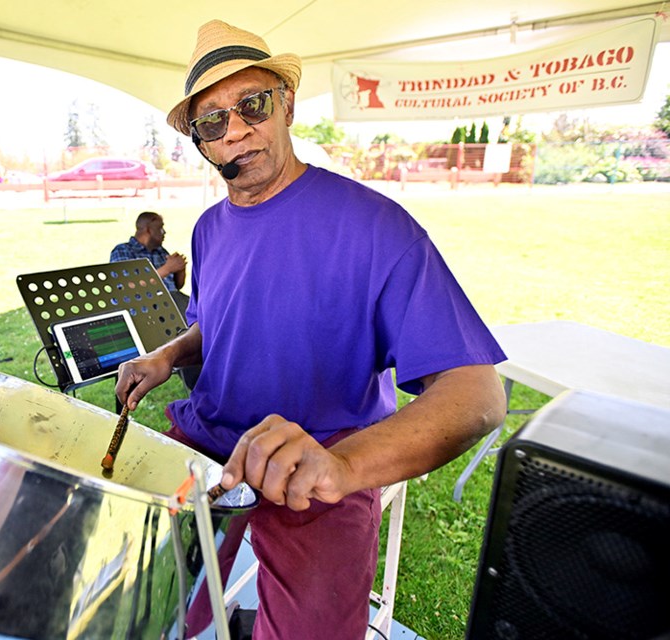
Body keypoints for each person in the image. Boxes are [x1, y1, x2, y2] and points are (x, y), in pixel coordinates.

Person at [115, 19, 508, 639]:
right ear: (200, 141)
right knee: (148, 612)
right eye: (212, 121)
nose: (237, 130)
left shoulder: (377, 228)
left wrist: (343, 467)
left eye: (252, 104)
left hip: (321, 466)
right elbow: (213, 325)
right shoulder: (209, 229)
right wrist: (168, 354)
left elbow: (477, 395)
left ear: (286, 103)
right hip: (206, 448)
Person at [110, 211, 190, 317]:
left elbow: (177, 286)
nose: (164, 232)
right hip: (144, 309)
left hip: (172, 304)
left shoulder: (161, 252)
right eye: (160, 228)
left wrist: (180, 269)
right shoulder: (123, 251)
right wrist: (166, 269)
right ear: (148, 230)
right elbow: (128, 286)